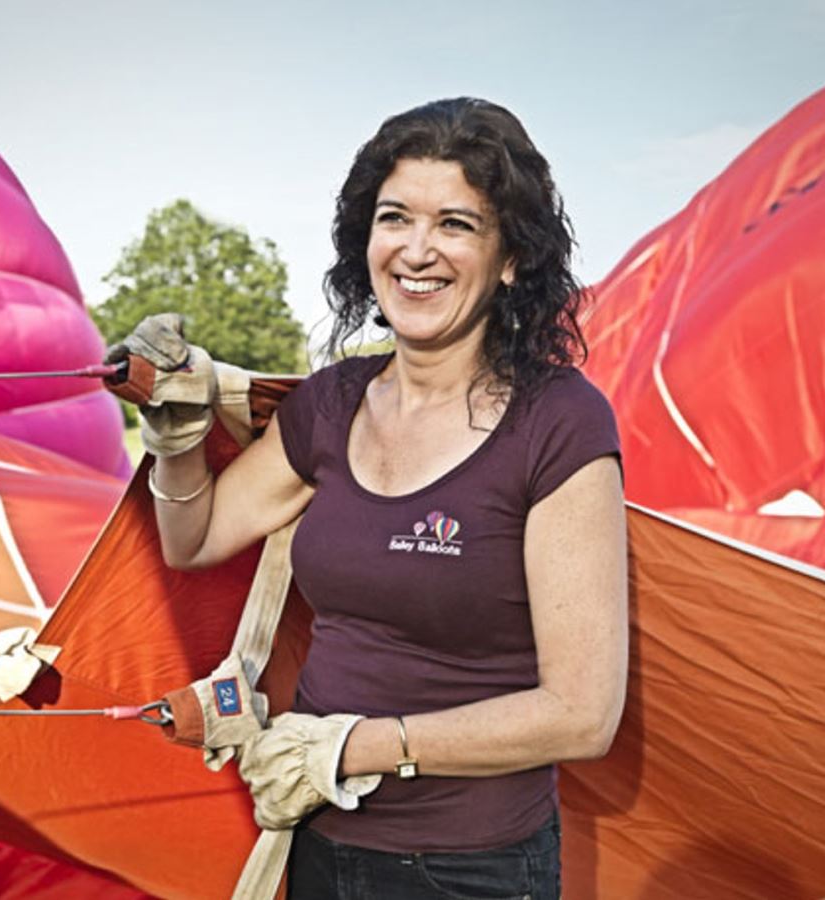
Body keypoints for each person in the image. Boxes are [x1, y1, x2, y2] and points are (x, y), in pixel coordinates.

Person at [110, 97, 628, 900]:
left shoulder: (556, 422)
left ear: (512, 259)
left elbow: (581, 714)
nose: (417, 251)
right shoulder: (330, 402)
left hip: (472, 868)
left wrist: (352, 747)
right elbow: (195, 537)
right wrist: (173, 440)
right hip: (315, 838)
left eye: (456, 223)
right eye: (395, 218)